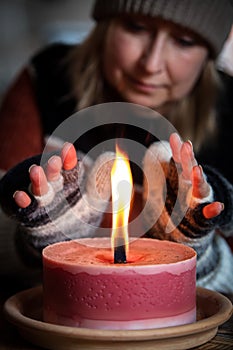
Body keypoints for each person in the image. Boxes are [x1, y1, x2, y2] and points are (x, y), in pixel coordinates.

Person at [0, 0, 233, 294]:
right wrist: (39, 237)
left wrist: (197, 255)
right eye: (136, 28)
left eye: (184, 42)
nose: (150, 64)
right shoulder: (46, 79)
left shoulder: (229, 115)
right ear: (104, 26)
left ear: (209, 55)